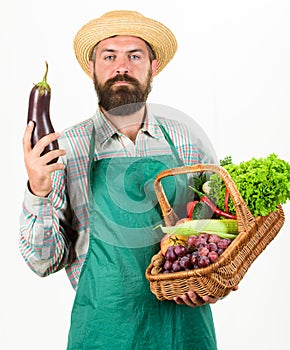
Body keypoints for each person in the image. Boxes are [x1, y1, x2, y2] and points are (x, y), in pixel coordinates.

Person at [20, 10, 226, 350]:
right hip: (103, 332)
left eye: (134, 55)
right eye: (109, 56)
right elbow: (43, 261)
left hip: (185, 333)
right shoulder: (65, 149)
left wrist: (208, 281)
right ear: (92, 67)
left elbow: (222, 238)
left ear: (153, 66)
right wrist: (38, 191)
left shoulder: (188, 140)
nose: (122, 67)